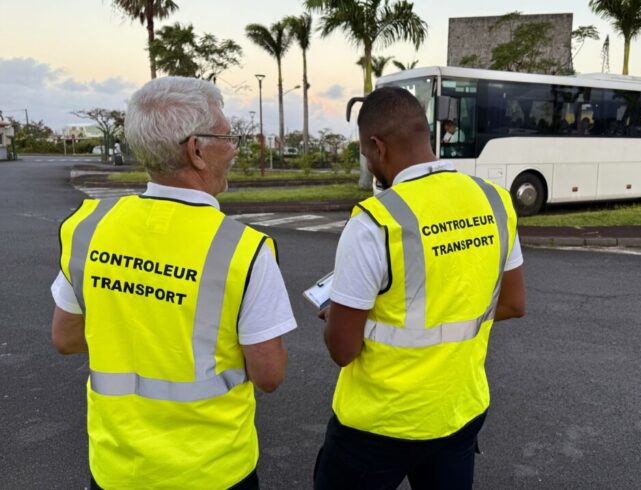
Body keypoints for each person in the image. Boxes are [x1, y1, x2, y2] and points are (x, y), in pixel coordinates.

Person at [50, 76, 296, 489]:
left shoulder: (91, 227)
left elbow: (66, 337)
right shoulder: (243, 249)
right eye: (227, 137)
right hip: (213, 472)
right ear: (197, 150)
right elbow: (269, 374)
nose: (234, 149)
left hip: (117, 470)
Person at [314, 86, 526, 489]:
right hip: (457, 412)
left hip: (377, 426)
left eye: (363, 151)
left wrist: (336, 316)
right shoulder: (495, 201)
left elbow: (343, 350)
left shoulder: (374, 222)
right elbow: (514, 303)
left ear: (377, 146)